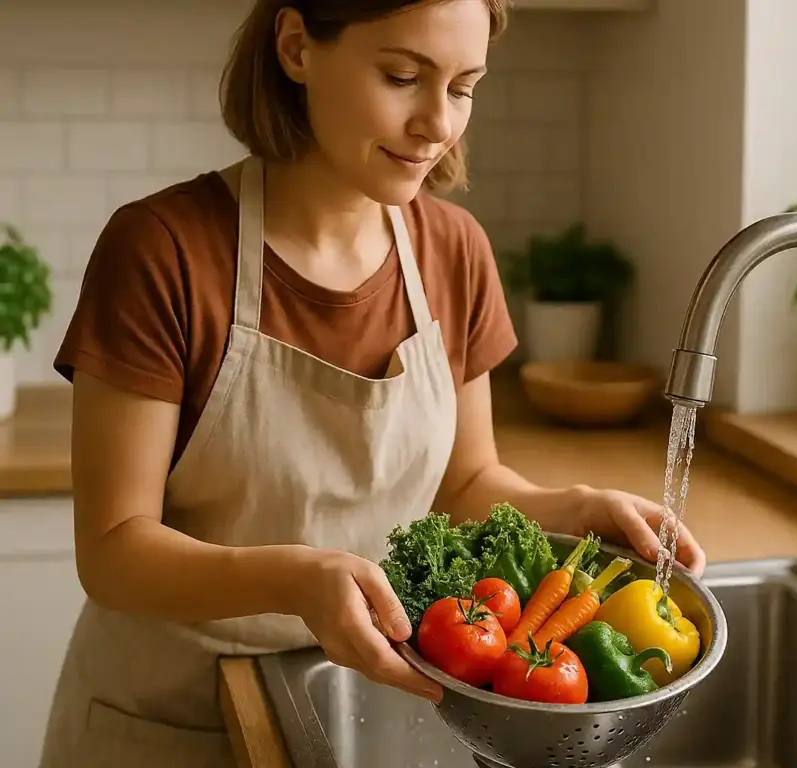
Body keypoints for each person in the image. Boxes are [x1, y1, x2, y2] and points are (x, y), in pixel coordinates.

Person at [37, 0, 706, 765]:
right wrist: (297, 578)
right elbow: (115, 551)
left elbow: (466, 484)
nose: (438, 124)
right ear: (296, 47)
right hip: (168, 716)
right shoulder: (163, 251)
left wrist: (575, 506)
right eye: (402, 76)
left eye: (463, 88)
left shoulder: (455, 252)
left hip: (361, 703)